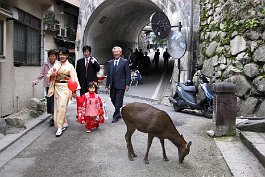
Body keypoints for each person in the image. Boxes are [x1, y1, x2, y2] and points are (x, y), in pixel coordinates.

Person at [47, 47, 80, 137]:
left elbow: (74, 78)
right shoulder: (56, 64)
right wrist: (52, 75)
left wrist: (74, 91)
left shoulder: (70, 66)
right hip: (57, 86)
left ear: (67, 56)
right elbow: (49, 73)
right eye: (61, 54)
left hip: (66, 87)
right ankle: (64, 123)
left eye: (64, 55)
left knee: (62, 106)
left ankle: (59, 127)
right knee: (58, 107)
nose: (62, 56)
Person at [32, 49, 58, 126]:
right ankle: (53, 118)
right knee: (50, 102)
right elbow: (41, 74)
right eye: (50, 56)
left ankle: (58, 117)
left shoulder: (59, 64)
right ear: (48, 57)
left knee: (57, 102)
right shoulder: (46, 64)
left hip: (57, 86)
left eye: (53, 56)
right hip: (48, 86)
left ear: (56, 57)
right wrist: (36, 81)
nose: (52, 57)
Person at [106, 46, 131, 123]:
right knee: (113, 98)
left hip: (121, 85)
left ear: (120, 53)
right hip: (113, 85)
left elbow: (128, 74)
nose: (116, 53)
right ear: (113, 53)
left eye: (117, 52)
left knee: (118, 101)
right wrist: (107, 85)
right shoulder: (110, 63)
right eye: (114, 52)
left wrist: (127, 84)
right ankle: (119, 111)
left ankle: (116, 116)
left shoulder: (124, 62)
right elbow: (109, 75)